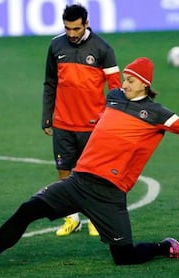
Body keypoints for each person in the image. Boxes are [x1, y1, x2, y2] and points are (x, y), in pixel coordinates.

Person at [0, 57, 179, 275]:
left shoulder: (158, 114)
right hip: (78, 182)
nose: (124, 84)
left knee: (125, 257)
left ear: (144, 84)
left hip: (109, 194)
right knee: (27, 210)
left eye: (130, 80)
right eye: (124, 79)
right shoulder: (115, 97)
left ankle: (165, 247)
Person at [41, 4, 121, 237]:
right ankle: (71, 218)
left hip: (93, 125)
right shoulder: (56, 45)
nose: (72, 34)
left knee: (93, 173)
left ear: (86, 24)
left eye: (76, 28)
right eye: (68, 29)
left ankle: (94, 218)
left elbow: (115, 88)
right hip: (63, 123)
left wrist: (112, 121)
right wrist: (47, 117)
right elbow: (50, 83)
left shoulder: (103, 48)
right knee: (64, 170)